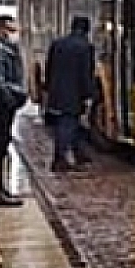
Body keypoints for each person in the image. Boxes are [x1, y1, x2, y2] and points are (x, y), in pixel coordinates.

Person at [0, 15, 27, 206]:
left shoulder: (2, 48)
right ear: (0, 29)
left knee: (1, 148)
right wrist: (13, 100)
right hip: (1, 109)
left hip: (3, 107)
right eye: (10, 29)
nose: (13, 34)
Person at [43, 15, 98, 171]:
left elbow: (49, 67)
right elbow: (86, 73)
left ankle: (78, 153)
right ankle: (59, 159)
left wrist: (47, 88)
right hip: (74, 93)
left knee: (70, 123)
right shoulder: (86, 47)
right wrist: (88, 94)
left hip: (56, 90)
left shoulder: (57, 44)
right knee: (67, 124)